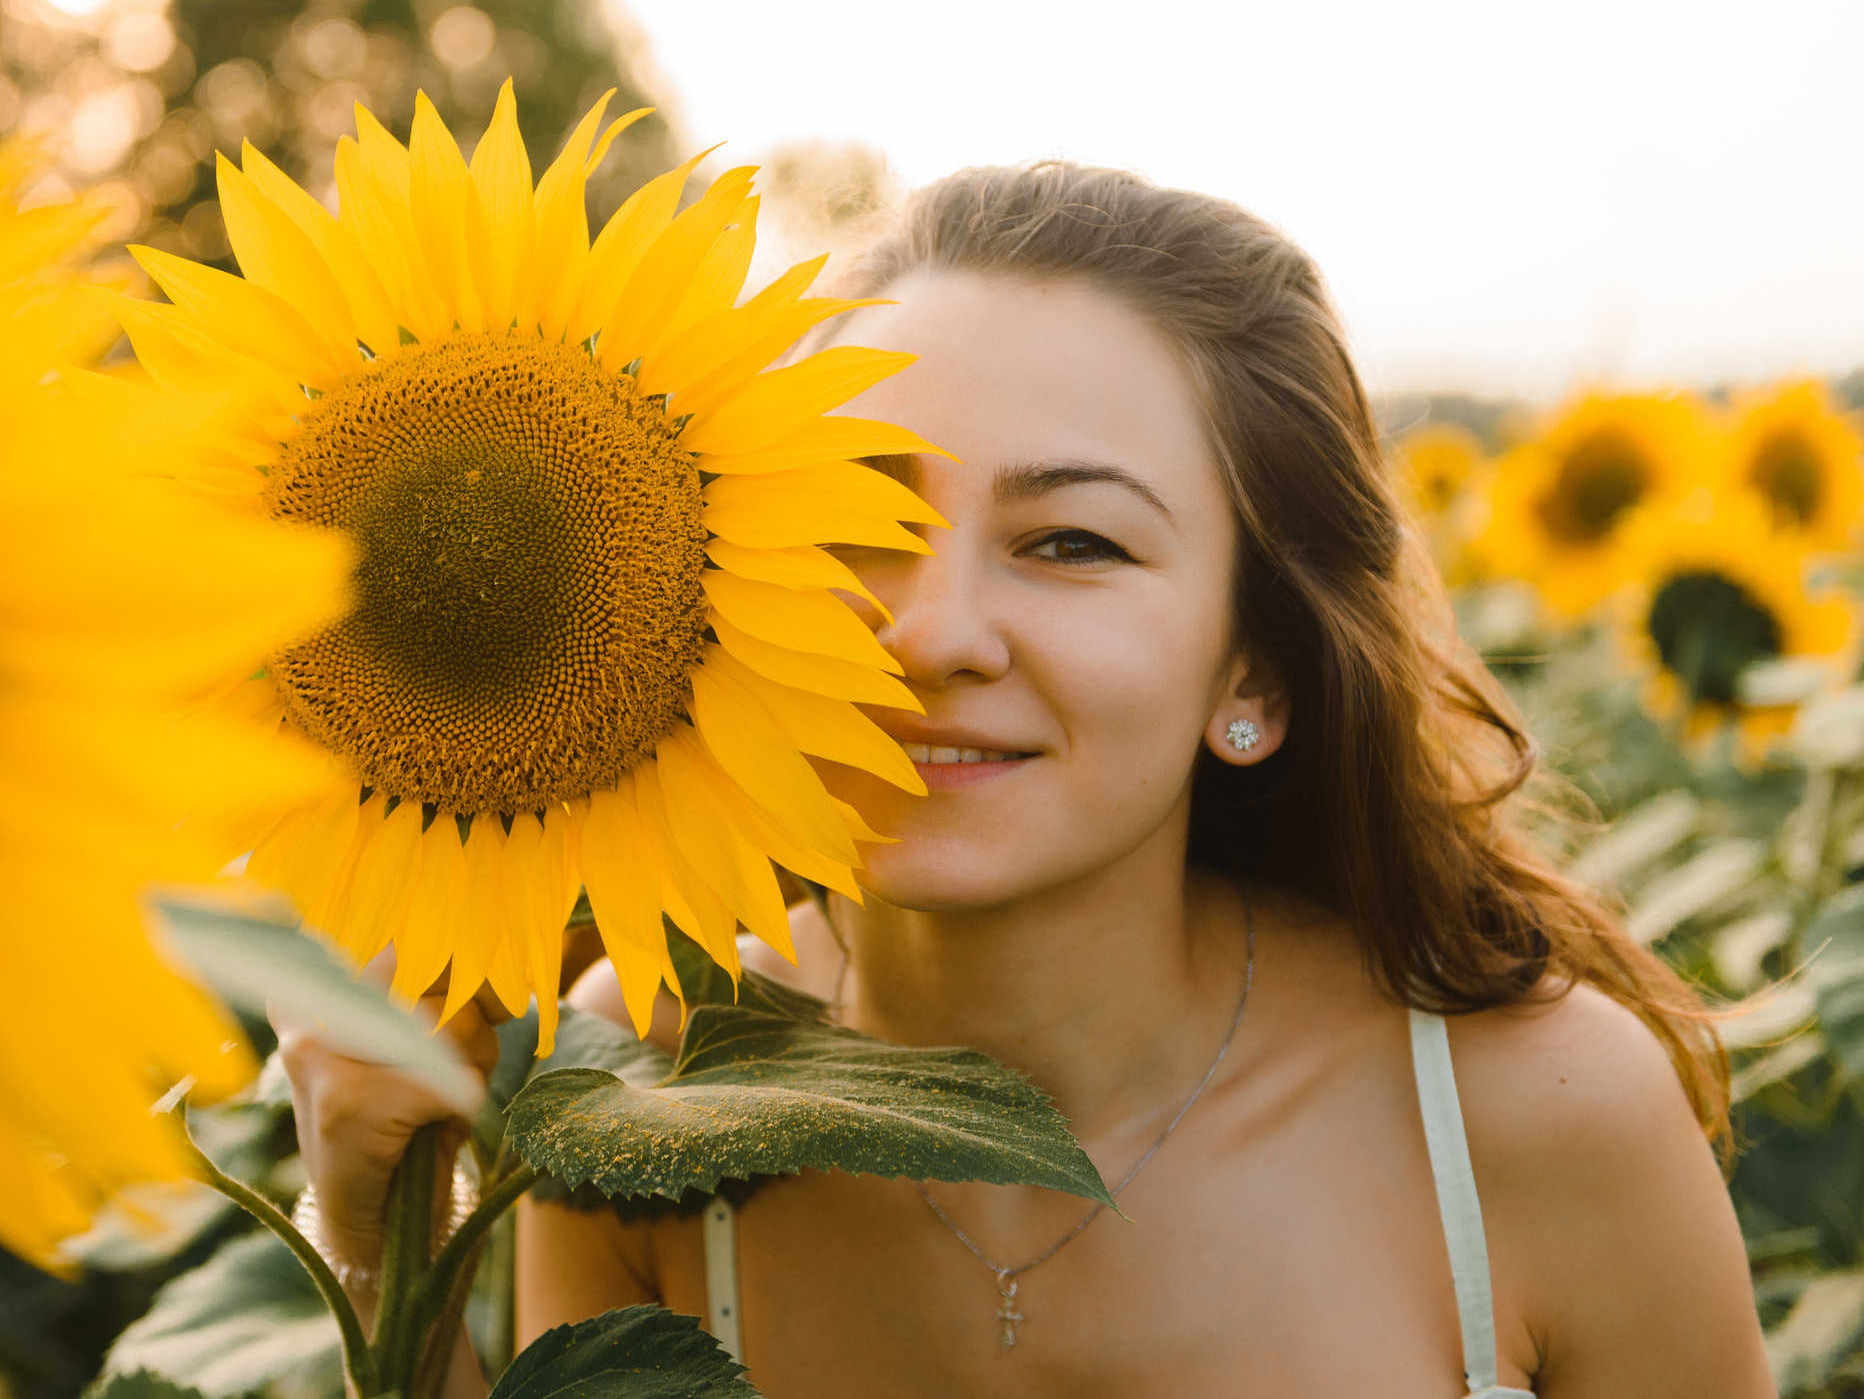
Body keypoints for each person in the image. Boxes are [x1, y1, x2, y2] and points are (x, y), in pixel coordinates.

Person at [280, 163, 1771, 1397]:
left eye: (1071, 543)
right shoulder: (643, 1091)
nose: (931, 629)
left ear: (1251, 671)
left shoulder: (1539, 1117)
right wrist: (377, 1234)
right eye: (864, 520)